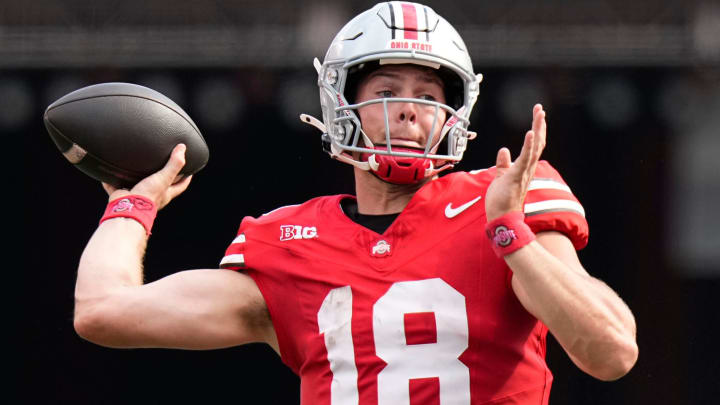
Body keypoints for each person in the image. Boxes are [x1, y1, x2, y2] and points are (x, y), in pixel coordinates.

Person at [73, 2, 638, 404]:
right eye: (387, 91)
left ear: (455, 114)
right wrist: (131, 205)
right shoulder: (290, 244)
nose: (410, 110)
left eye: (428, 95)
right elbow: (103, 313)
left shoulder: (506, 196)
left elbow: (611, 353)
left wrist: (510, 233)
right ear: (342, 104)